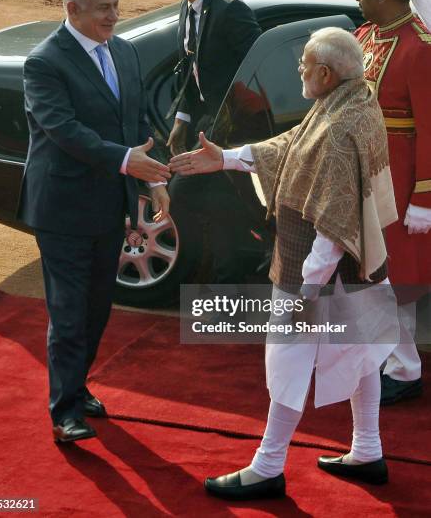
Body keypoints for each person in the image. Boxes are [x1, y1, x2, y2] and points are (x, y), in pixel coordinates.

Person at [170, 27, 399, 500]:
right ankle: (368, 450)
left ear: (325, 72)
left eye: (303, 64)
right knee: (361, 356)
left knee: (288, 362)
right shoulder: (356, 101)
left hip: (316, 273)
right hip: (363, 268)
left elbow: (334, 224)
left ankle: (268, 466)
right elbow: (293, 144)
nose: (298, 71)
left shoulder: (339, 124)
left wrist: (307, 288)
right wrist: (228, 159)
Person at [17, 0, 170, 443]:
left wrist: (154, 178)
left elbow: (137, 121)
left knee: (97, 307)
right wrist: (128, 162)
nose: (114, 15)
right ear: (73, 10)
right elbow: (65, 132)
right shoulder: (44, 63)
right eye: (104, 8)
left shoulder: (123, 52)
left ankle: (77, 387)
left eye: (116, 5)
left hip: (109, 203)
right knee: (68, 310)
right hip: (61, 208)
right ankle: (64, 411)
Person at [344, 0, 431, 405]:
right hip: (366, 177)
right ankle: (384, 355)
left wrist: (424, 198)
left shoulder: (420, 50)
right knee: (370, 277)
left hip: (399, 186)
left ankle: (405, 367)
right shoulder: (367, 33)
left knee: (391, 279)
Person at [161, 0, 262, 283]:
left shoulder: (230, 10)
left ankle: (240, 252)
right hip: (208, 121)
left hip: (237, 128)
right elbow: (190, 66)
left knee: (187, 190)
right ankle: (230, 272)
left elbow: (256, 65)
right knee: (210, 199)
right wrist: (182, 119)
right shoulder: (188, 6)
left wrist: (232, 128)